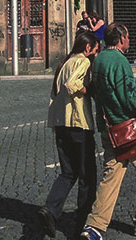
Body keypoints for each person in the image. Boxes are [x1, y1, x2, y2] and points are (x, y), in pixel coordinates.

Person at [80, 23, 136, 240]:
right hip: (130, 128)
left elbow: (94, 91)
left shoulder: (99, 59)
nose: (130, 41)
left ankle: (94, 226)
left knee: (110, 177)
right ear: (121, 38)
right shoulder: (120, 61)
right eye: (128, 36)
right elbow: (131, 99)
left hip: (109, 129)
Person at [38, 31, 100, 239]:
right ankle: (83, 225)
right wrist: (85, 89)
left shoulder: (64, 63)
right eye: (95, 50)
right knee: (87, 177)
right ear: (87, 48)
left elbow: (55, 92)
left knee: (68, 173)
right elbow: (71, 85)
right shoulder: (82, 61)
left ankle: (50, 208)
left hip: (60, 123)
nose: (95, 54)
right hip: (78, 124)